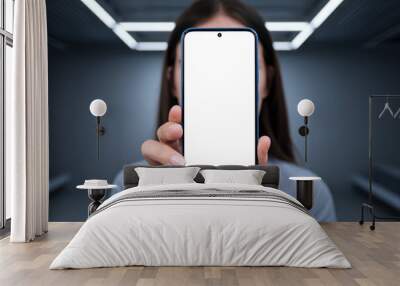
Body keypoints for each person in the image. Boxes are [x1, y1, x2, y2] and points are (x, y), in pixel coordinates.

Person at [113, 0, 336, 221]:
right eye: (200, 64)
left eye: (240, 63)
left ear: (268, 81)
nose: (221, 82)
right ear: (172, 80)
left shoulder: (309, 192)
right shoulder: (129, 188)